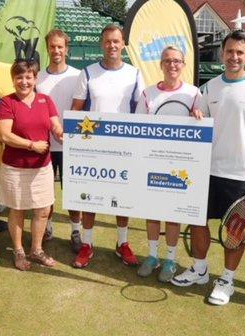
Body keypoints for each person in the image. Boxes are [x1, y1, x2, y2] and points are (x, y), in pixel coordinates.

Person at [171, 31, 245, 307]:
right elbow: (200, 121)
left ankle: (227, 279)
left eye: (240, 52)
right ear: (222, 54)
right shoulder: (208, 88)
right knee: (197, 221)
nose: (234, 57)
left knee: (235, 232)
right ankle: (200, 269)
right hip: (205, 171)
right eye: (230, 52)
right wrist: (197, 115)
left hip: (240, 174)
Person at [71, 24, 145, 268]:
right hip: (93, 149)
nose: (112, 46)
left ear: (123, 44)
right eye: (107, 41)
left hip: (124, 149)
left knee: (122, 197)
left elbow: (142, 112)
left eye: (116, 41)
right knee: (90, 198)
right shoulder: (88, 73)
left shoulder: (134, 74)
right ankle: (87, 244)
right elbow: (76, 111)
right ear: (101, 44)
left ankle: (122, 243)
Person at [135, 45, 201, 282]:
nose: (172, 65)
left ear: (183, 64)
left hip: (181, 167)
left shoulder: (194, 94)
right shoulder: (148, 94)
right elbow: (138, 128)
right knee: (152, 212)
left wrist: (199, 117)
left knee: (172, 213)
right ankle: (152, 256)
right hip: (153, 162)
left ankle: (171, 259)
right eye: (167, 61)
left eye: (176, 61)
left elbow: (202, 127)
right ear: (161, 65)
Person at [0, 59, 63, 270]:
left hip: (42, 168)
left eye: (28, 77)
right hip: (15, 168)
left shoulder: (46, 100)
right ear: (13, 79)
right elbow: (4, 135)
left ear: (35, 78)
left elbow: (55, 127)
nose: (24, 82)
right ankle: (18, 251)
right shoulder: (7, 102)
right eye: (19, 77)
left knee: (43, 210)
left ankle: (36, 250)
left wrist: (65, 135)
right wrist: (31, 145)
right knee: (18, 210)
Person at [36, 29, 82, 253]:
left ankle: (76, 231)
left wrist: (66, 131)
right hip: (44, 146)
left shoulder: (77, 75)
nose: (56, 50)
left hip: (70, 146)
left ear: (67, 48)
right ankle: (47, 227)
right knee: (46, 192)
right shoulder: (38, 78)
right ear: (47, 48)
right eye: (52, 46)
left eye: (60, 46)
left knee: (73, 192)